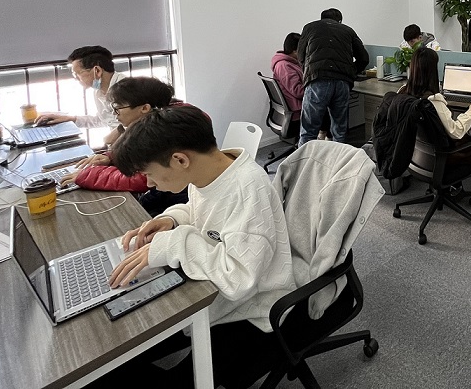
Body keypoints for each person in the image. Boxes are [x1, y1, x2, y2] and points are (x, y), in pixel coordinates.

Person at [103, 106, 294, 388]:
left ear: (180, 159)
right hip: (216, 292)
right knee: (121, 349)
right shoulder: (208, 172)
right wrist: (172, 219)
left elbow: (239, 278)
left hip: (253, 308)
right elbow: (200, 212)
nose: (149, 184)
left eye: (150, 174)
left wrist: (174, 243)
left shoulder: (247, 190)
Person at [64, 77, 190, 217]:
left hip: (176, 200)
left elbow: (143, 179)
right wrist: (110, 157)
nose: (114, 114)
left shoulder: (164, 130)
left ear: (145, 108)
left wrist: (89, 175)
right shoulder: (151, 123)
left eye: (118, 109)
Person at [401, 47, 471, 171]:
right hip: (441, 157)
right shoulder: (433, 101)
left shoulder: (402, 92)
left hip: (416, 155)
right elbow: (456, 132)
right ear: (432, 70)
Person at [297, 8, 370, 146]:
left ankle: (304, 159)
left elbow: (300, 56)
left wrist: (309, 72)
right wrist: (350, 72)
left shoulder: (309, 27)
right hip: (342, 82)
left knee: (309, 131)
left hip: (317, 80)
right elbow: (364, 58)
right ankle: (338, 158)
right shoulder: (348, 30)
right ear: (340, 21)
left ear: (321, 18)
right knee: (339, 130)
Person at [35, 46, 125, 142]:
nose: (76, 78)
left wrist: (110, 143)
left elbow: (132, 126)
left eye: (76, 74)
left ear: (97, 71)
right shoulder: (98, 90)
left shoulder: (126, 89)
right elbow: (103, 120)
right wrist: (69, 119)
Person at [271, 32, 304, 115]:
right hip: (298, 111)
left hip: (300, 107)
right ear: (295, 51)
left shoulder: (291, 63)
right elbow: (298, 91)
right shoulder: (284, 66)